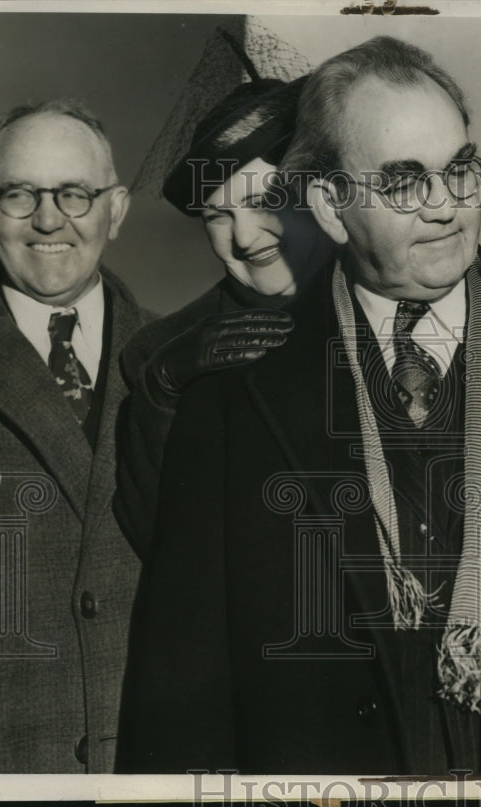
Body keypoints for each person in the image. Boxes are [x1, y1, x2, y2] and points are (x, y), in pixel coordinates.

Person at [118, 36, 481, 775]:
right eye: (404, 182)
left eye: (459, 170)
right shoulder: (229, 389)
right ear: (333, 207)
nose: (446, 207)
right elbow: (181, 689)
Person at [0, 100, 152, 772]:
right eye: (19, 194)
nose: (48, 220)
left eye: (74, 193)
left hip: (149, 758)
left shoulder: (178, 356)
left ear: (115, 210)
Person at [114, 76, 335, 558]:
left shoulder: (395, 304)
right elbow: (160, 543)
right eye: (218, 216)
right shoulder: (160, 354)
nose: (245, 238)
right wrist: (162, 392)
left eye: (263, 202)